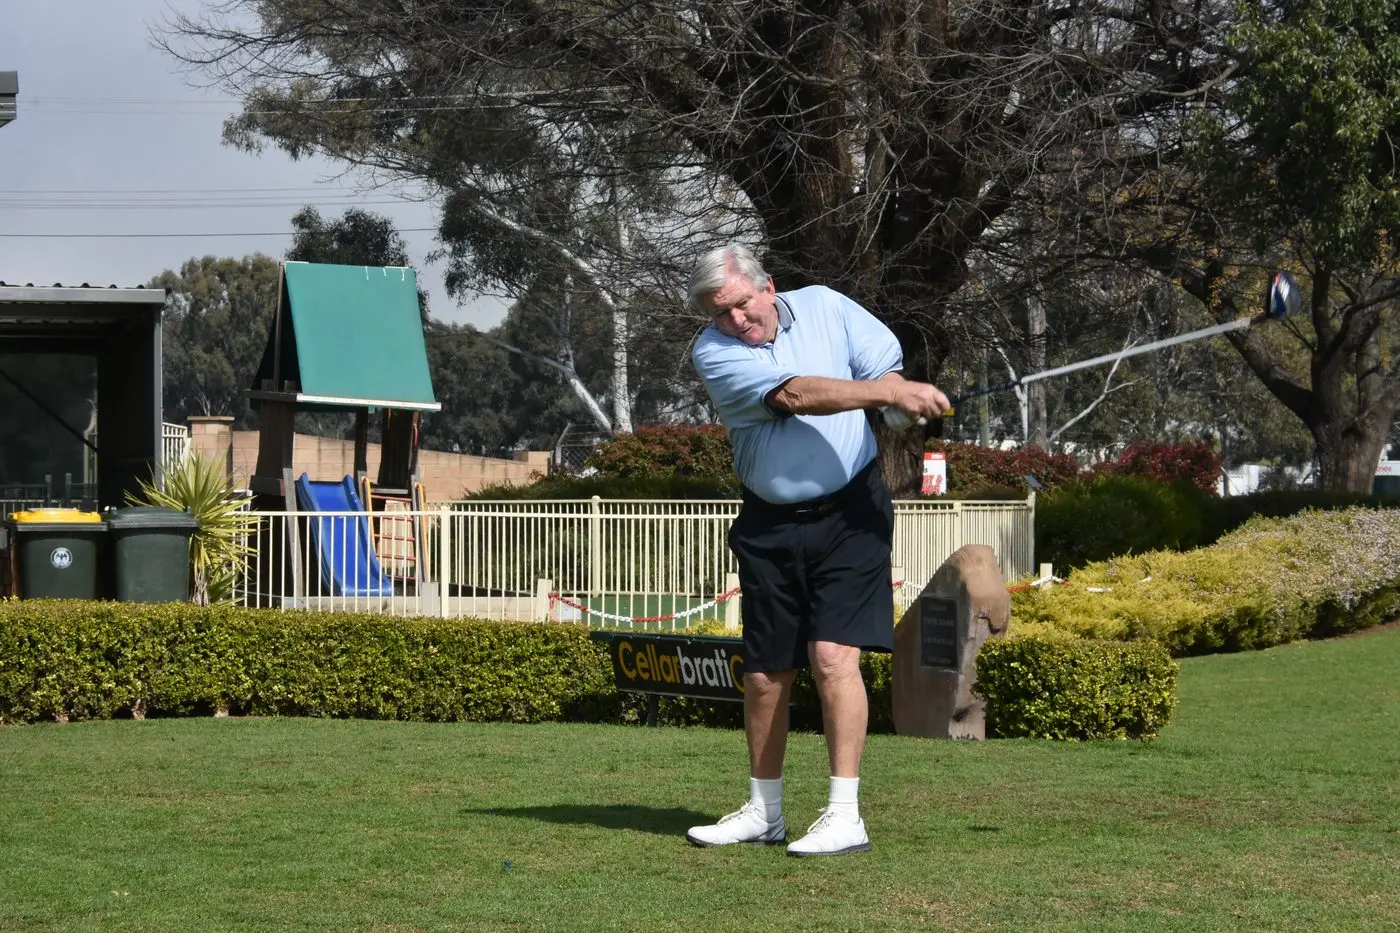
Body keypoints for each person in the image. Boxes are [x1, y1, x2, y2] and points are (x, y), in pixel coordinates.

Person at [683, 244, 951, 857]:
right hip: (769, 523)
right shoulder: (714, 354)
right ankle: (764, 812)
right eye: (720, 313)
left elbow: (884, 367)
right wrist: (888, 398)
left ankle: (844, 815)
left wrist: (899, 396)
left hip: (851, 513)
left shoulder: (828, 307)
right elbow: (797, 395)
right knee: (765, 672)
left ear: (768, 286)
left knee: (833, 657)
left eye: (742, 304)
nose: (737, 322)